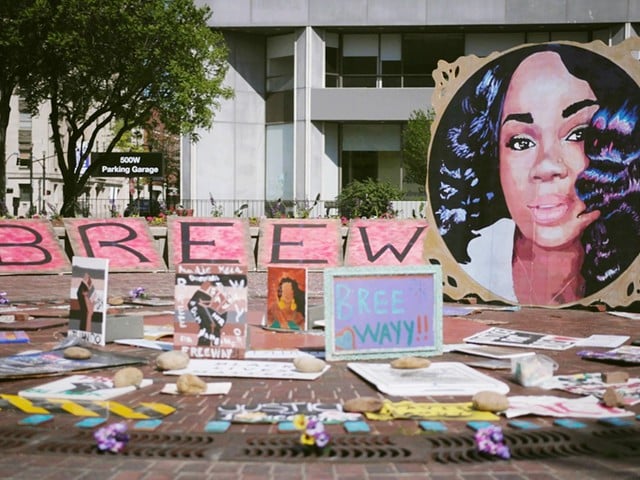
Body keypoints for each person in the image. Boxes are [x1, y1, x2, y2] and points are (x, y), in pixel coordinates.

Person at [429, 42, 640, 305]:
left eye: (578, 134)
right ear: (495, 157)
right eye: (520, 142)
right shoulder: (472, 263)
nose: (546, 166)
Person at [188, 281, 231, 346]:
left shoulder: (222, 308)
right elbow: (192, 303)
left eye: (215, 290)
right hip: (206, 334)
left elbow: (220, 323)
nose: (213, 293)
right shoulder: (203, 298)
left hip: (213, 335)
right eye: (212, 290)